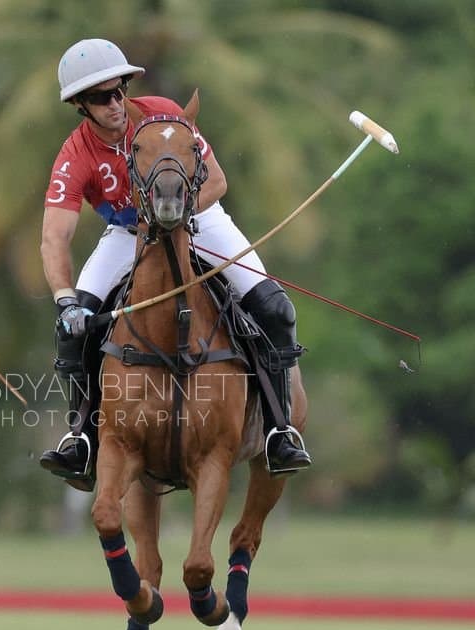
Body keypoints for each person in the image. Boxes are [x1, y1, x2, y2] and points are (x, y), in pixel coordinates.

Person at [37, 38, 312, 487]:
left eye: (118, 91)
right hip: (128, 235)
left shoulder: (163, 114)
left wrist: (175, 216)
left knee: (276, 309)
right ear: (81, 106)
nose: (115, 104)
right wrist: (66, 300)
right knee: (74, 328)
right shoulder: (75, 156)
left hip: (201, 218)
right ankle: (82, 439)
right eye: (101, 98)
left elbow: (217, 181)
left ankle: (280, 431)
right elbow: (54, 237)